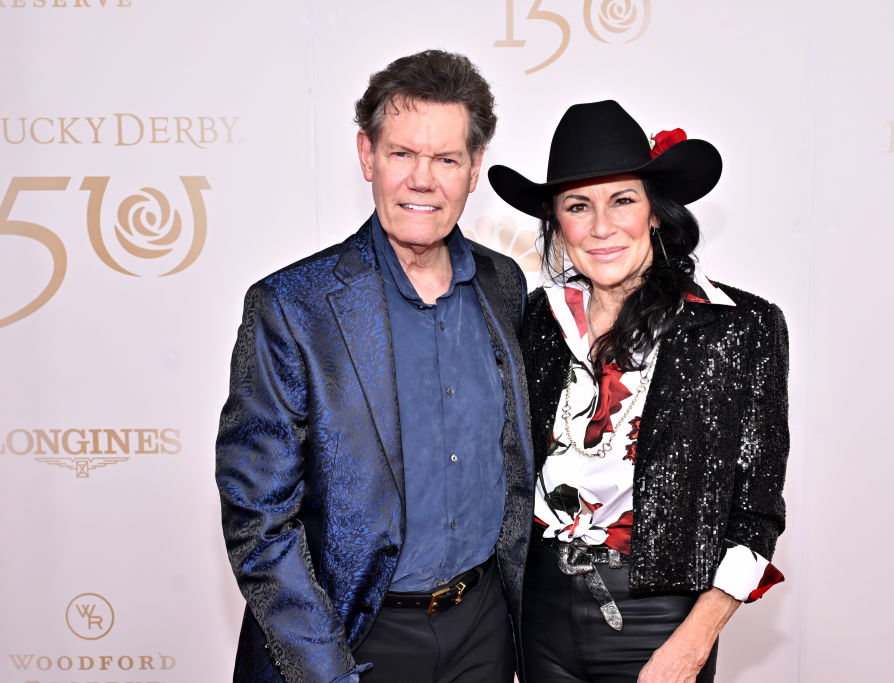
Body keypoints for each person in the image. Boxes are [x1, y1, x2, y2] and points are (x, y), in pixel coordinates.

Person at [215, 50, 533, 683]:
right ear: (367, 156)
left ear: (474, 170)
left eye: (446, 159)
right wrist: (326, 669)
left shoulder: (504, 285)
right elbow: (259, 518)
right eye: (402, 154)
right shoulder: (292, 306)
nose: (424, 179)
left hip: (485, 631)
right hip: (355, 636)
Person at [487, 100, 789, 683]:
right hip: (538, 615)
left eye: (622, 200)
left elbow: (757, 514)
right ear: (556, 223)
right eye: (579, 206)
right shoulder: (531, 323)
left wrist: (692, 645)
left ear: (654, 212)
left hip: (662, 621)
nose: (602, 227)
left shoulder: (740, 326)